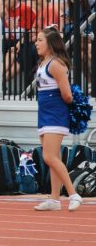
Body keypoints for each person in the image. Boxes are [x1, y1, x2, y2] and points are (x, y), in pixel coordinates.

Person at [33, 26, 83, 211]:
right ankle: (54, 199)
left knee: (49, 156)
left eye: (40, 40)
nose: (36, 43)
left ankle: (73, 194)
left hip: (55, 115)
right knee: (52, 158)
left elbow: (67, 95)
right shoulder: (43, 63)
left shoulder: (55, 64)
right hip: (44, 115)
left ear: (50, 43)